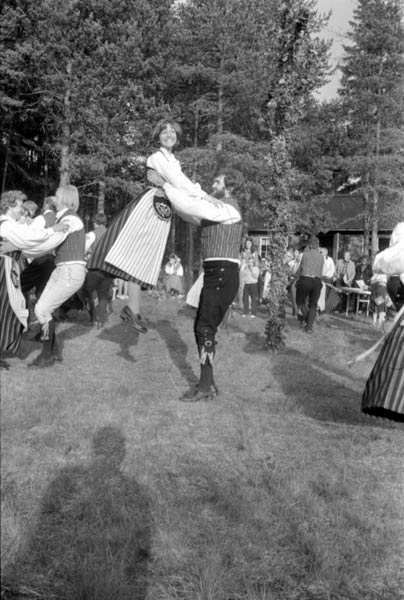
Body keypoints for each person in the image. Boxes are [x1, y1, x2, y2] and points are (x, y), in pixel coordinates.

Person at [87, 118, 207, 334]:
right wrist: (202, 196)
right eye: (164, 131)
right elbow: (180, 184)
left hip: (164, 208)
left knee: (144, 258)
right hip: (152, 206)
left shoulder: (173, 161)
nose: (169, 134)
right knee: (137, 255)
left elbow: (176, 189)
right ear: (158, 136)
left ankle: (133, 309)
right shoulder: (157, 158)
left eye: (172, 131)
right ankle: (130, 307)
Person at [148, 169, 242, 402]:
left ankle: (205, 387)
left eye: (217, 181)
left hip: (222, 273)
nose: (213, 184)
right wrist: (166, 193)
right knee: (201, 326)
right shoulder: (216, 211)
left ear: (229, 187)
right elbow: (187, 213)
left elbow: (191, 206)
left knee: (204, 328)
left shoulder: (228, 209)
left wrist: (166, 185)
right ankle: (208, 383)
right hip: (216, 273)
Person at [0, 191, 68, 369]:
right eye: (19, 206)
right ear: (10, 206)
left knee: (12, 308)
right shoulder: (6, 224)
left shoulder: (10, 224)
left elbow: (25, 243)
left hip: (11, 267)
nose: (22, 210)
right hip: (4, 269)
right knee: (8, 308)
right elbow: (29, 238)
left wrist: (16, 246)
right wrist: (53, 230)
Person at [32, 185, 87, 366]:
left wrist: (21, 251)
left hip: (70, 270)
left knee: (42, 309)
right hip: (62, 269)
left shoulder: (70, 219)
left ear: (65, 198)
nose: (54, 198)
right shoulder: (63, 217)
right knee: (41, 309)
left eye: (56, 195)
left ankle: (46, 355)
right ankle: (53, 351)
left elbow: (52, 241)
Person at [295, 235, 324, 334]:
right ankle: (309, 328)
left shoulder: (304, 254)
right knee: (313, 305)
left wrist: (296, 275)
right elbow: (322, 271)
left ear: (309, 245)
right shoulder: (321, 256)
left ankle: (307, 319)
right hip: (317, 281)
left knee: (299, 301)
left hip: (306, 279)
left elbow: (299, 269)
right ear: (317, 245)